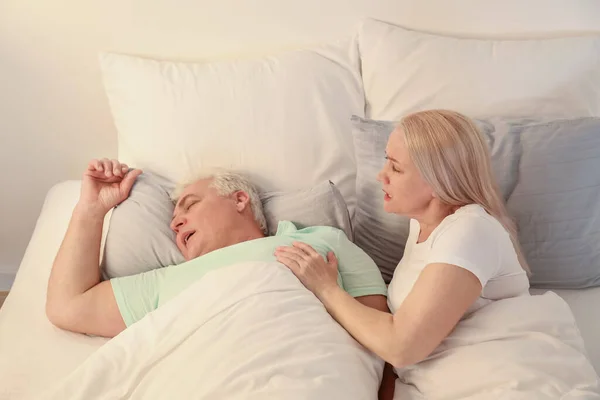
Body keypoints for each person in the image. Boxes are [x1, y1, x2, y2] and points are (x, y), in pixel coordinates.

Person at [274, 110, 531, 399]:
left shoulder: (470, 229)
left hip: (497, 375)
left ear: (437, 181)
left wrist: (326, 288)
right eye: (386, 160)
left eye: (395, 168)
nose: (381, 175)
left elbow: (402, 346)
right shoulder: (422, 224)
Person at [45, 159, 388, 339]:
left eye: (189, 205)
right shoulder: (165, 281)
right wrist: (91, 210)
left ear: (240, 200)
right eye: (174, 219)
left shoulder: (321, 241)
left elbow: (383, 341)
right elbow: (67, 306)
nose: (175, 223)